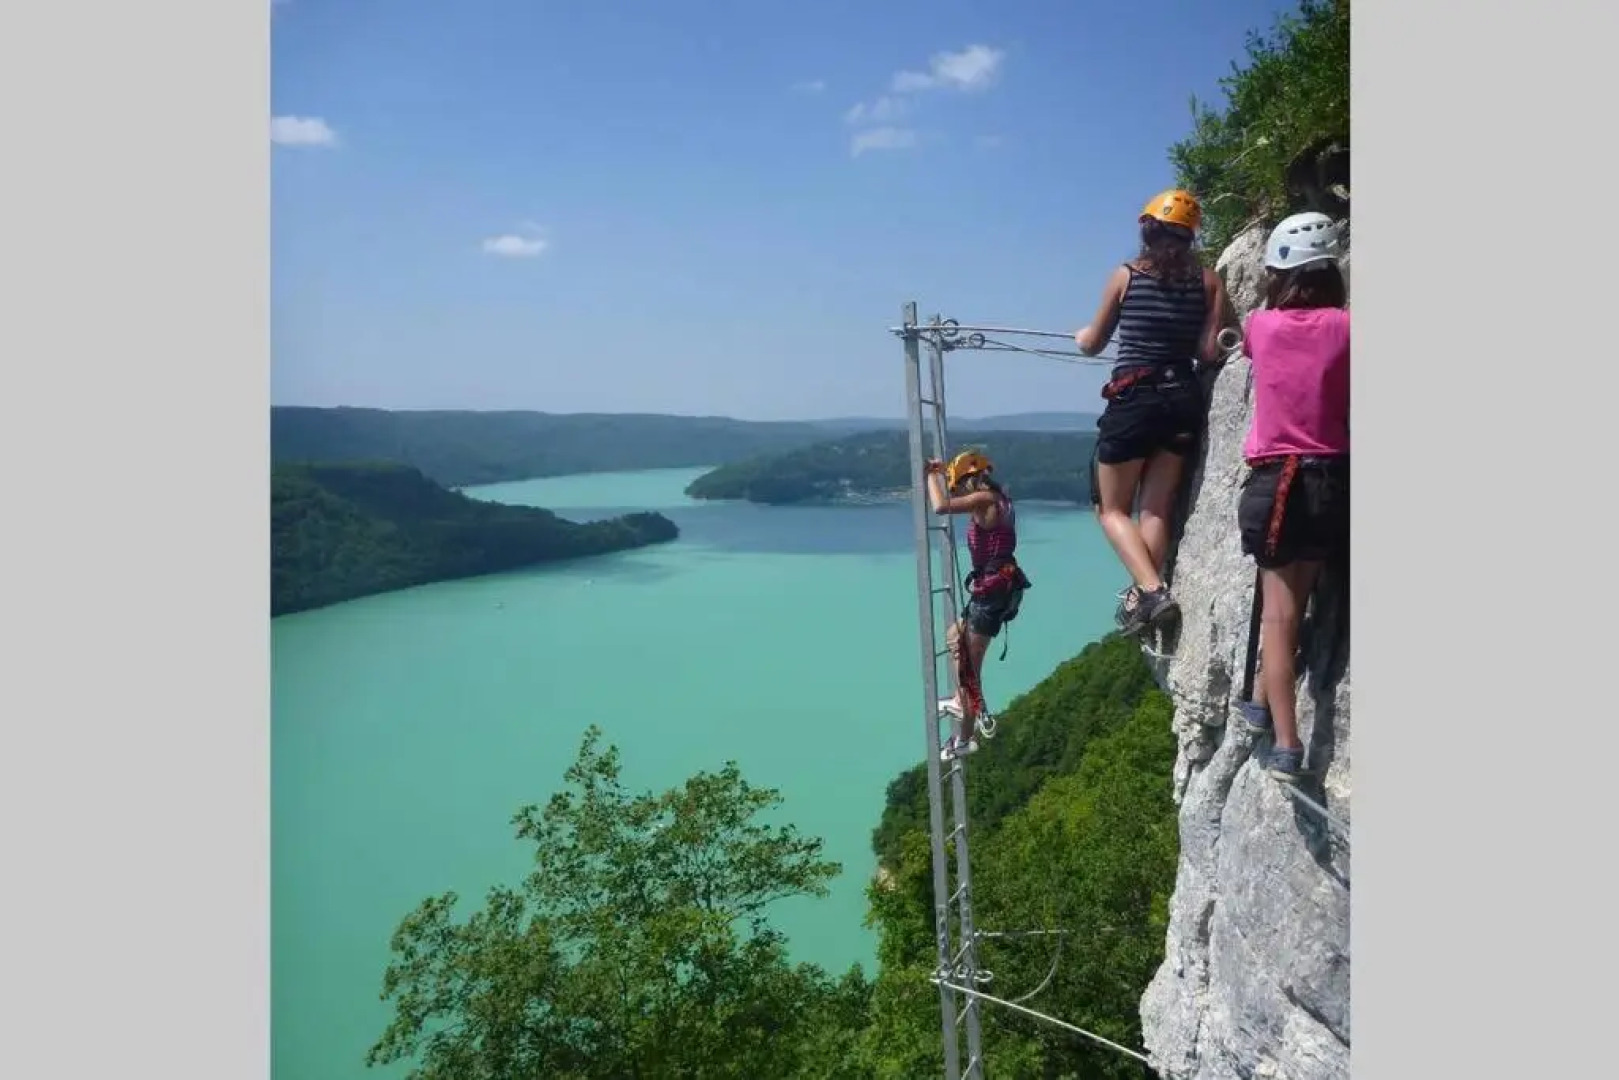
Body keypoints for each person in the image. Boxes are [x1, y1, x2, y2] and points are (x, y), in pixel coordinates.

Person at [1074, 189, 1229, 638]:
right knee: (1156, 508)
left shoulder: (1126, 276)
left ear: (1147, 230)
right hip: (1181, 397)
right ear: (1190, 237)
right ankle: (1143, 595)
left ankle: (1152, 591)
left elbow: (1093, 343)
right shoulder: (1209, 281)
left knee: (1111, 510)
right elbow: (1206, 349)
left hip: (1135, 399)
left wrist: (1080, 335)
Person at [1232, 211, 1350, 782]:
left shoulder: (1261, 326)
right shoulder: (1349, 328)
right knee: (1296, 605)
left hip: (1277, 482)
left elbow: (1242, 340)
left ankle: (1286, 743)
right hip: (1332, 484)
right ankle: (1258, 699)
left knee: (1277, 620)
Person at [924, 449, 1031, 761]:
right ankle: (963, 699)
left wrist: (931, 475)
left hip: (992, 592)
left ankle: (964, 739)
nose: (958, 493)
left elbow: (941, 506)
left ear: (970, 481)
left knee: (969, 669)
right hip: (993, 589)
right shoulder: (999, 499)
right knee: (955, 638)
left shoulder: (984, 498)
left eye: (959, 487)